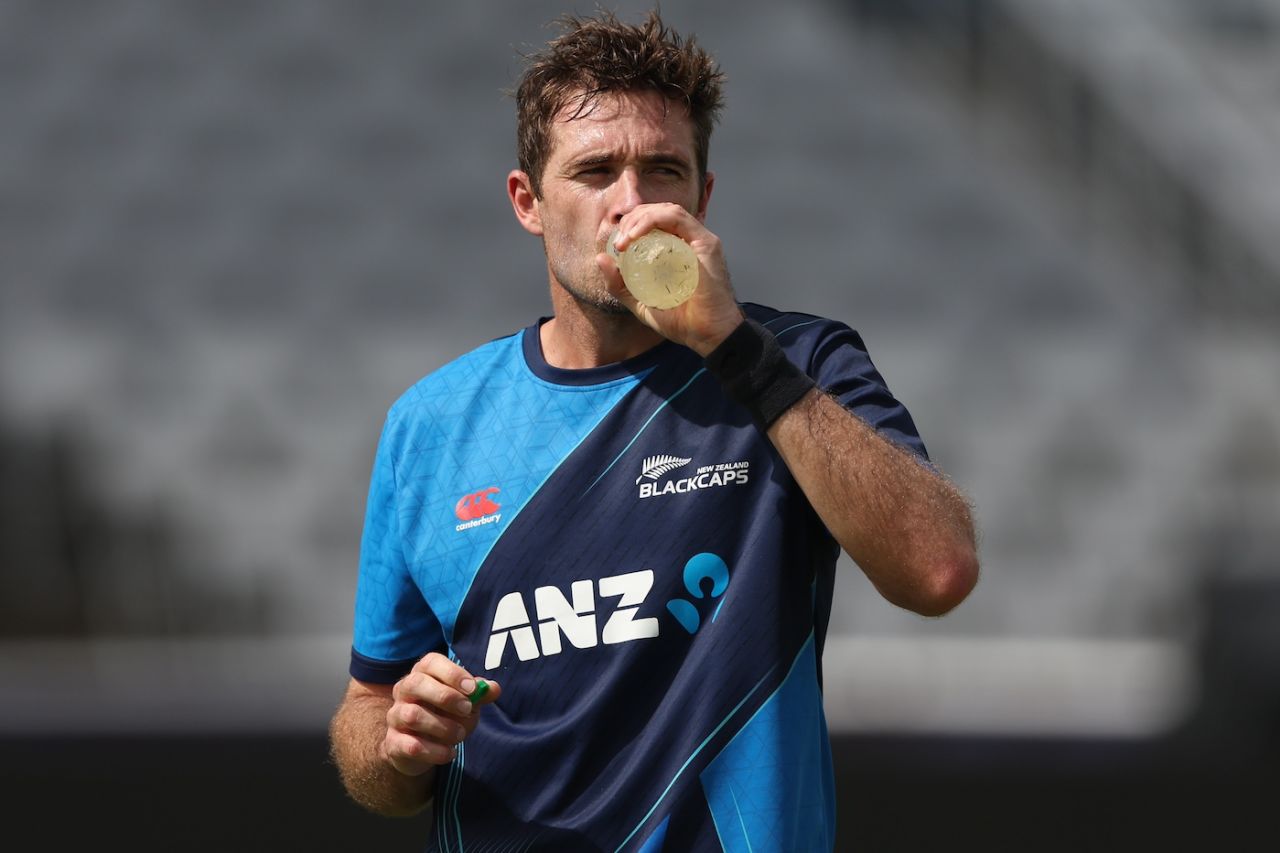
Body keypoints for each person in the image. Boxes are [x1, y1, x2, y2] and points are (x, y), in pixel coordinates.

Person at [329, 10, 978, 851]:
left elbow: (939, 568)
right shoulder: (431, 423)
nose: (631, 204)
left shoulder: (798, 363)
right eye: (594, 171)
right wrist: (397, 742)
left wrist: (733, 348)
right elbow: (369, 714)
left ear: (702, 198)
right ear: (529, 202)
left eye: (663, 169)